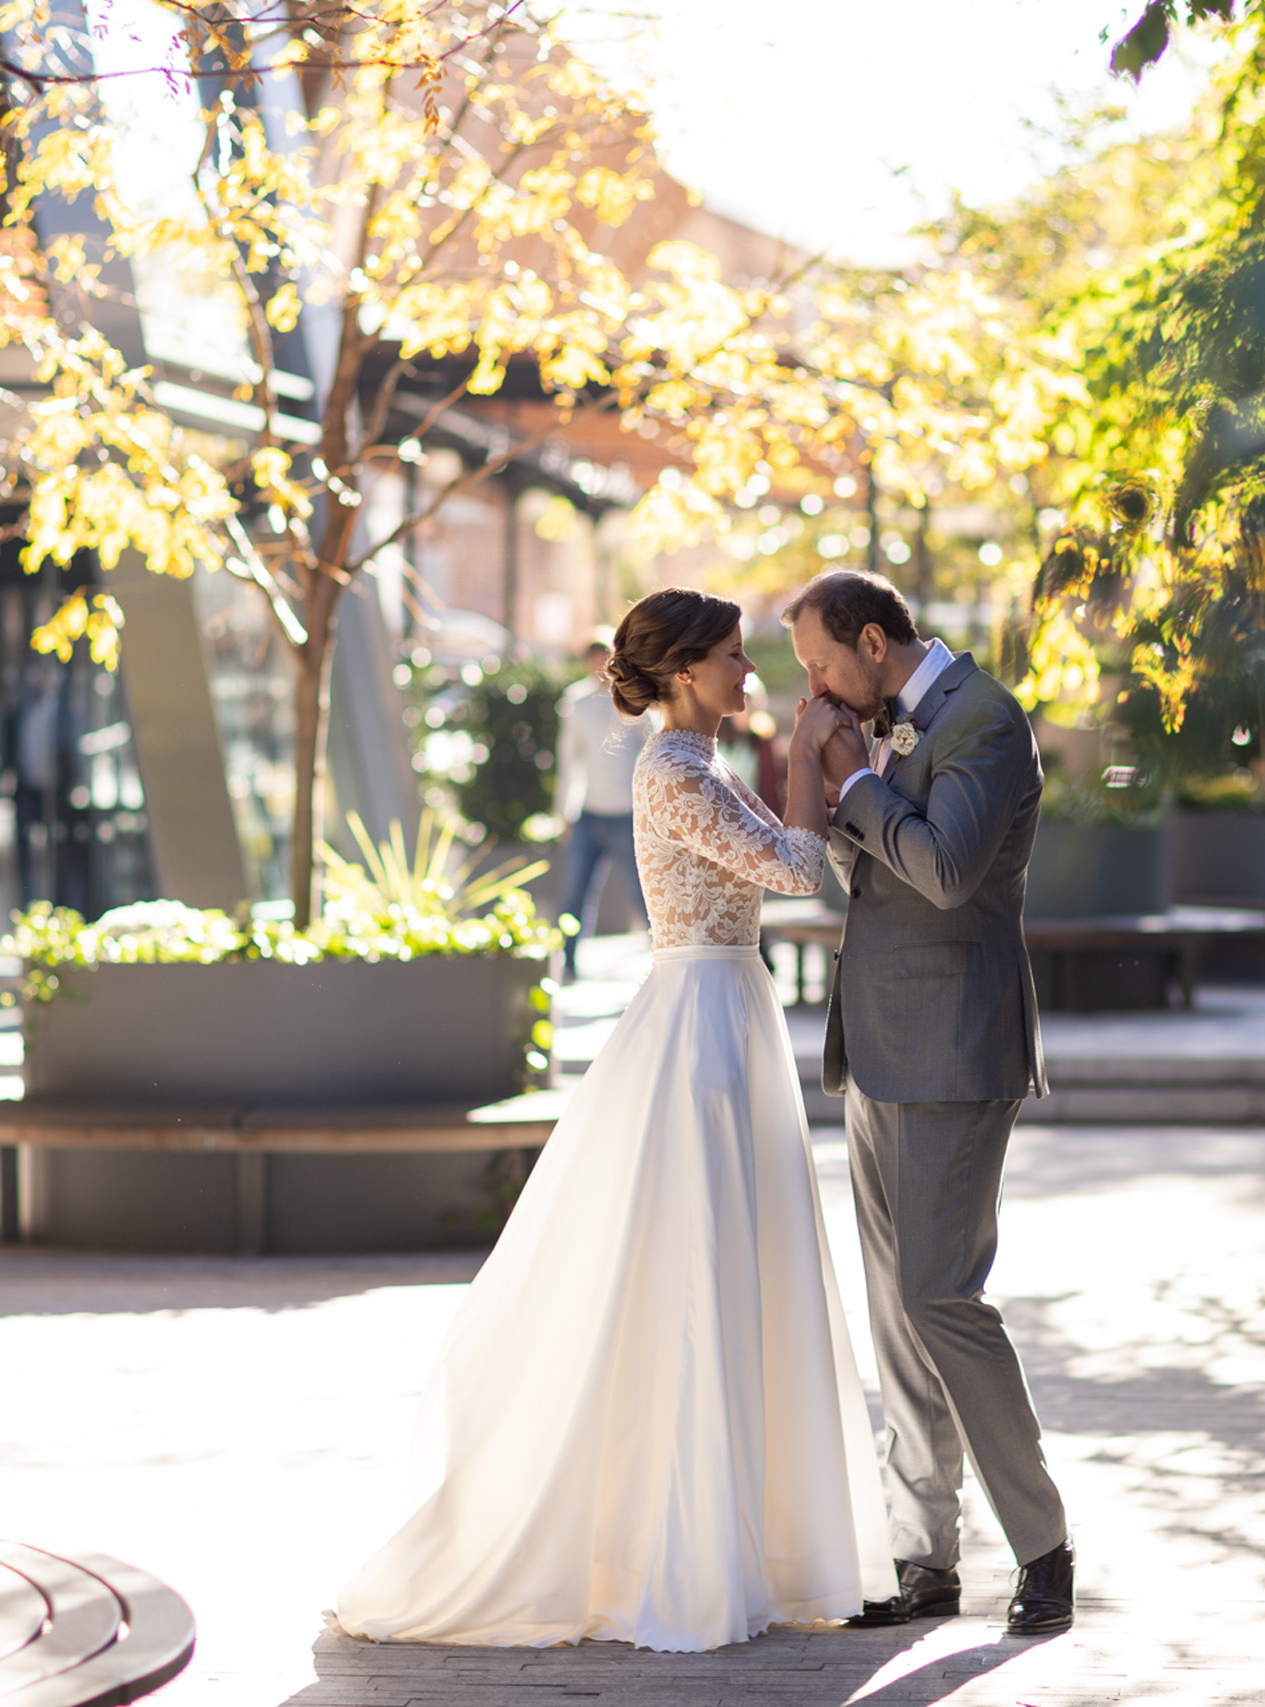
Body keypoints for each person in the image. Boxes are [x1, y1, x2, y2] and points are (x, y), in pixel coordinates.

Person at [334, 588, 894, 1652]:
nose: (751, 675)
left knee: (735, 1271)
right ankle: (683, 1555)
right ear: (684, 671)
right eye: (732, 657)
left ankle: (740, 1545)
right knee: (693, 1271)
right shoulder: (673, 771)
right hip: (698, 1025)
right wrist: (822, 763)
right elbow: (791, 867)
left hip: (728, 1012)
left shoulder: (696, 766)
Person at [785, 567, 1076, 1638]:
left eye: (819, 664)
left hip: (955, 1047)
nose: (812, 686)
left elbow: (948, 870)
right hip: (876, 1049)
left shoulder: (983, 719)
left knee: (943, 1300)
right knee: (895, 1315)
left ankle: (1043, 1547)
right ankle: (924, 1555)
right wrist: (835, 774)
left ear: (872, 641)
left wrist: (853, 780)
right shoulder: (889, 724)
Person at [553, 633, 650, 981]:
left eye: (604, 657)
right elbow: (568, 760)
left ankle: (663, 964)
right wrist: (562, 812)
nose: (599, 664)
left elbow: (651, 749)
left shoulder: (632, 700)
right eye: (593, 657)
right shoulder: (576, 702)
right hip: (589, 814)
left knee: (643, 894)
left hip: (627, 814)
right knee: (575, 893)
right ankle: (567, 963)